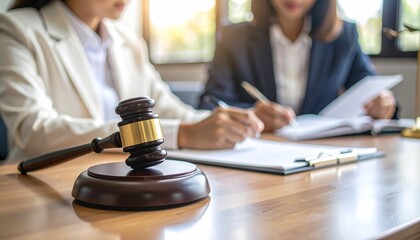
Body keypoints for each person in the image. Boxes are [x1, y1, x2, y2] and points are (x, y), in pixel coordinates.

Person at [0, 0, 264, 163]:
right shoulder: (17, 30)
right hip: (45, 190)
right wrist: (180, 134)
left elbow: (172, 110)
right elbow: (32, 130)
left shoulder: (129, 41)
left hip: (122, 181)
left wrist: (238, 120)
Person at [199, 0, 398, 132]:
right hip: (259, 156)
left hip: (324, 157)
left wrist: (383, 104)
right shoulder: (234, 38)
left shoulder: (345, 35)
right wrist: (252, 115)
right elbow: (209, 103)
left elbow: (370, 90)